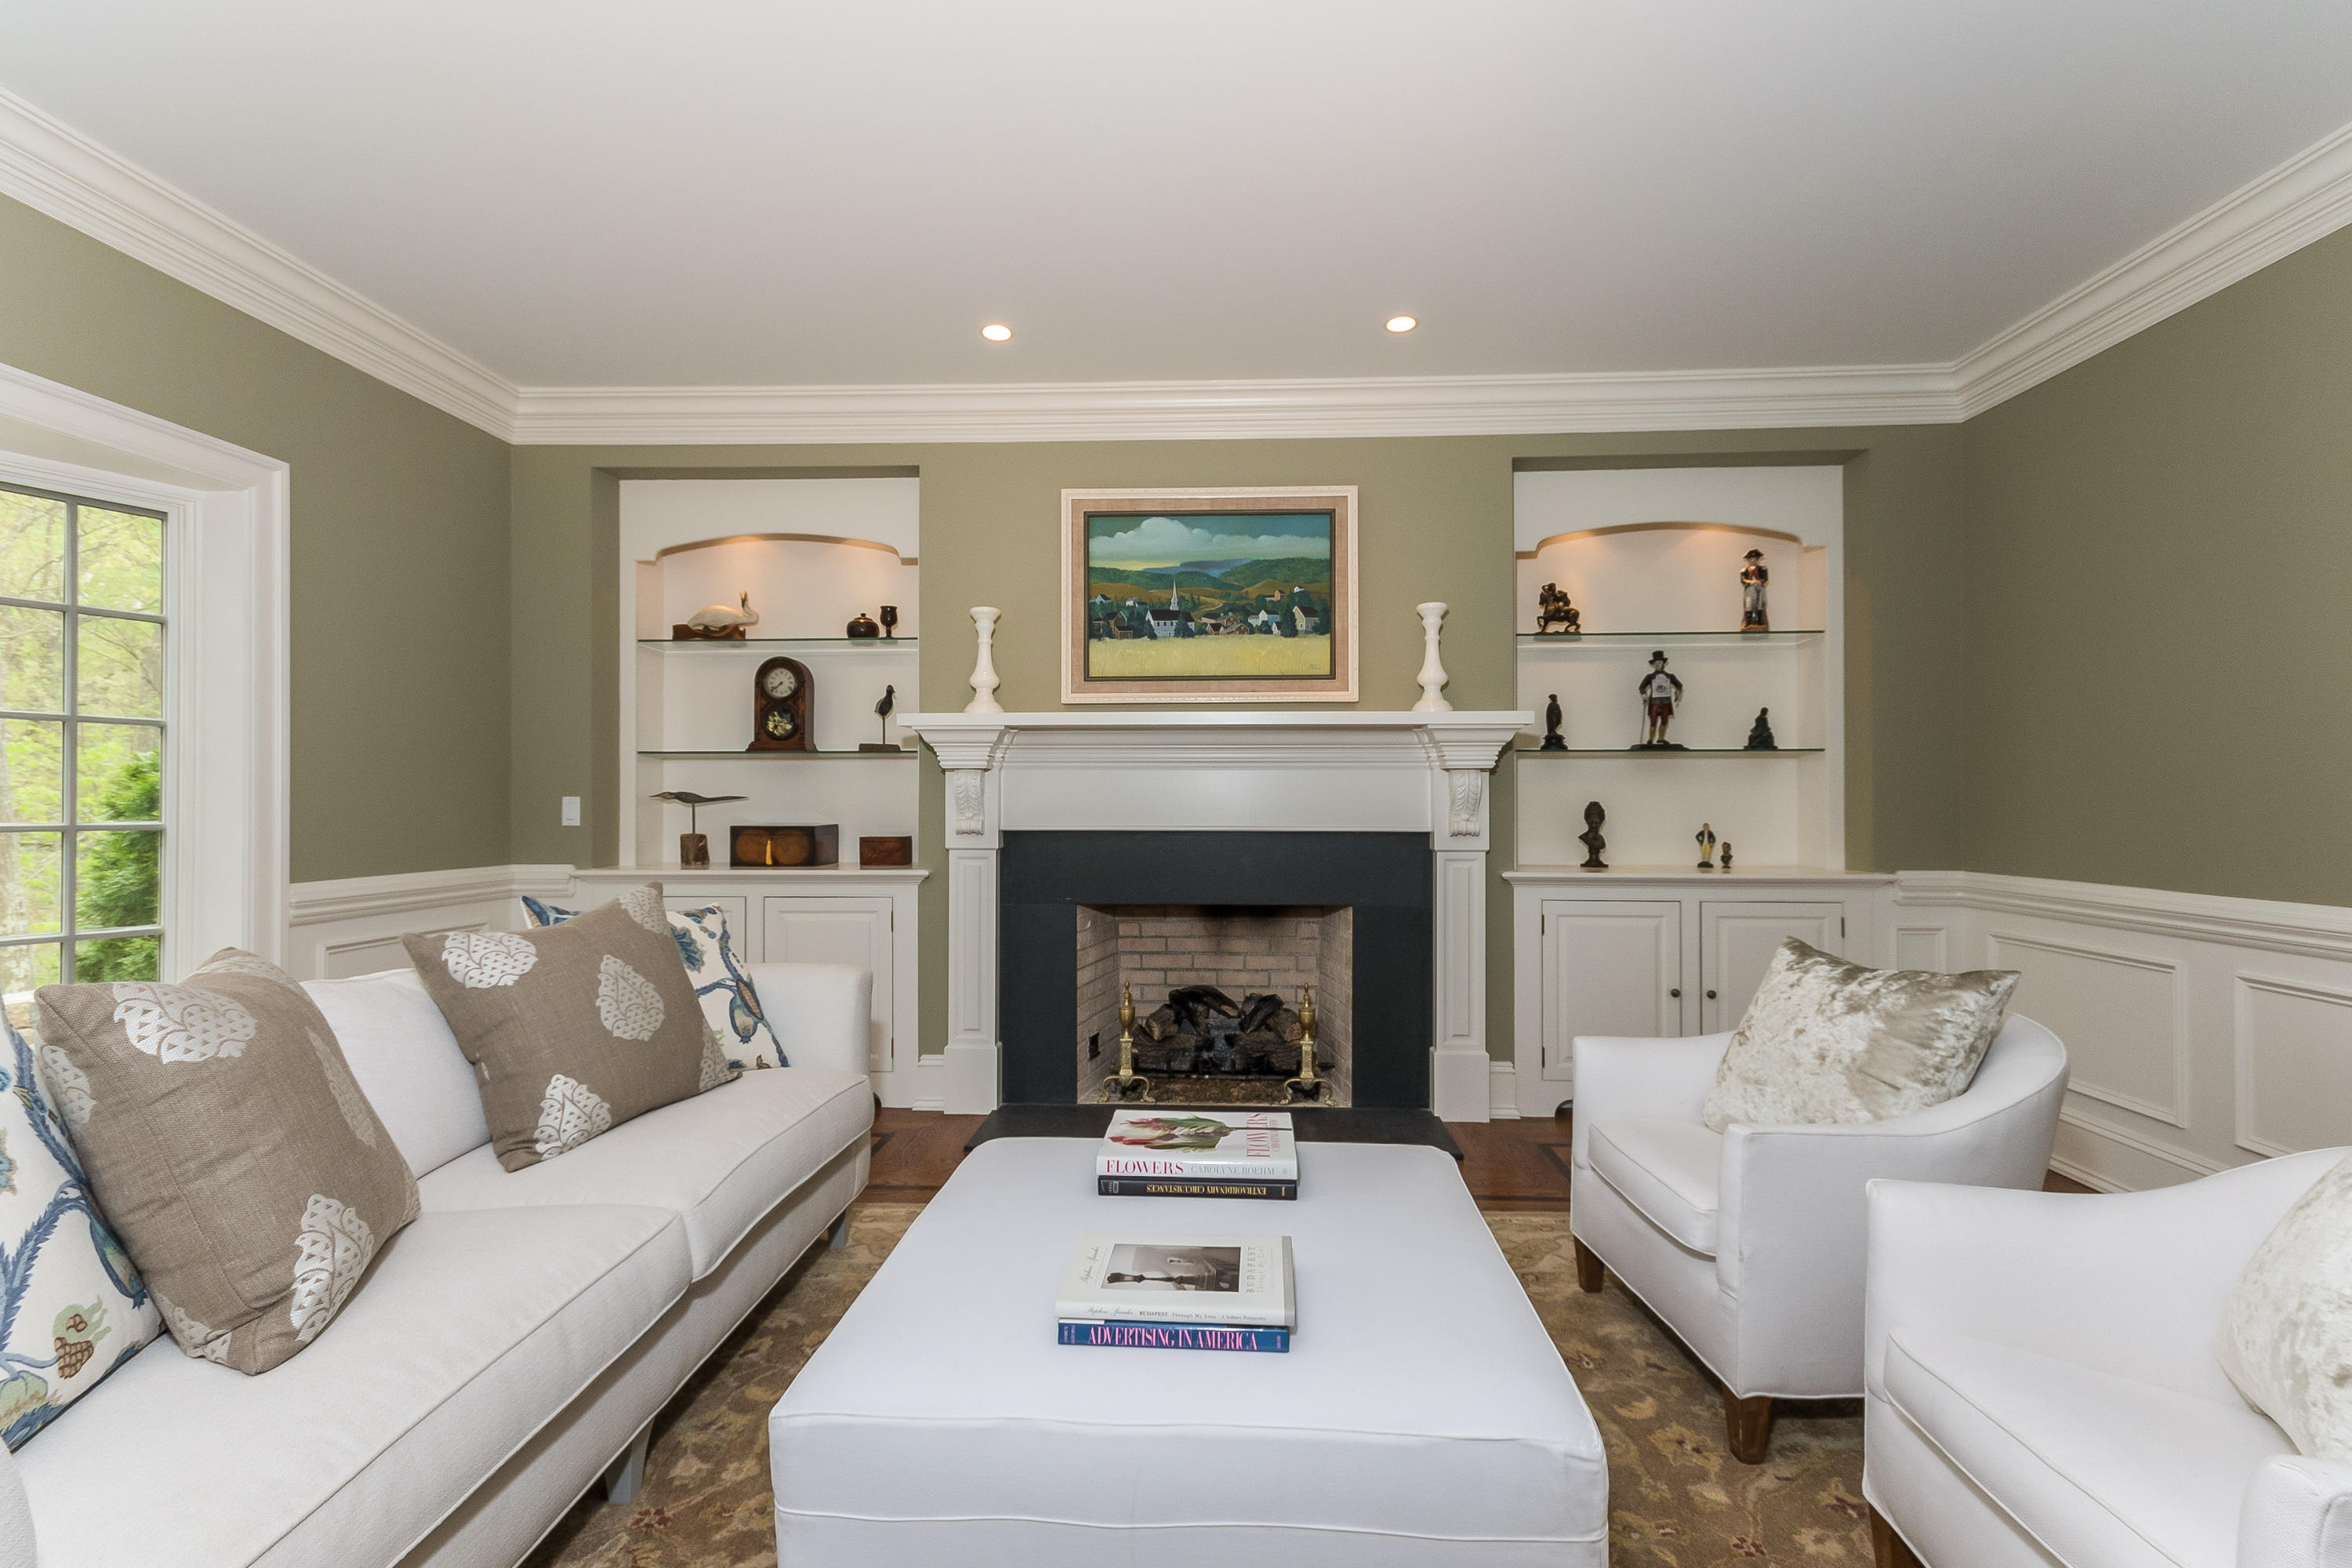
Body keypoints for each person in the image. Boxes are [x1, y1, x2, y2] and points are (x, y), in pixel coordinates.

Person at [1637, 650, 1683, 746]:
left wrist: (1678, 691)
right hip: (1655, 702)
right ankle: (1650, 739)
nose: (1658, 665)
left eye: (1660, 663)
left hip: (1666, 702)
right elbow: (1642, 687)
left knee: (1664, 720)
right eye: (1656, 663)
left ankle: (1661, 738)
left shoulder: (1670, 676)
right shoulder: (1650, 677)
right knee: (1653, 721)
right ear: (1653, 665)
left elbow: (1679, 685)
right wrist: (1644, 694)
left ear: (1663, 664)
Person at [1740, 549, 1769, 631]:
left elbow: (1765, 579)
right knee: (1749, 604)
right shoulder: (1744, 570)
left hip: (1760, 588)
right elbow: (1743, 580)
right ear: (1748, 560)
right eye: (1751, 559)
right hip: (1750, 589)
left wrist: (1759, 582)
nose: (1752, 560)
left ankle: (1760, 621)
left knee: (1760, 604)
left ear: (1757, 559)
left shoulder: (1762, 569)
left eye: (1754, 559)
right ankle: (1748, 622)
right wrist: (1750, 582)